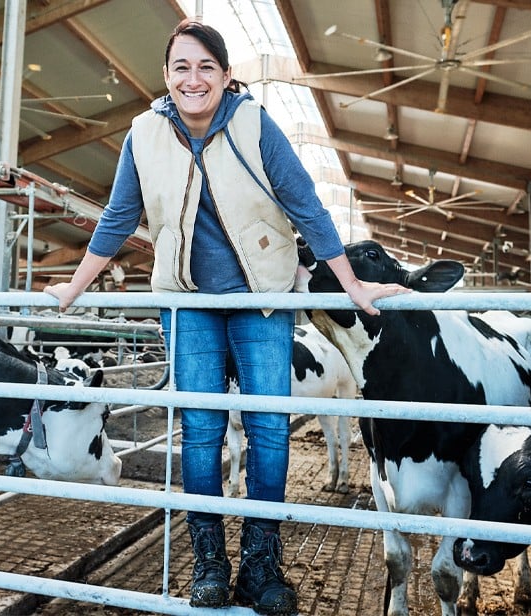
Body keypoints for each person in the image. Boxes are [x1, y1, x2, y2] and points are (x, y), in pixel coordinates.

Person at [46, 19, 408, 616]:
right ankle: (210, 563)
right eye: (182, 67)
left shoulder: (253, 123)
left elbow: (306, 207)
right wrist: (73, 288)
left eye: (206, 67)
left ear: (226, 75)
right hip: (189, 305)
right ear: (165, 77)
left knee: (268, 431)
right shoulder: (143, 134)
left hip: (260, 301)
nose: (194, 78)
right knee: (203, 434)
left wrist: (351, 284)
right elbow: (116, 218)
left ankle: (262, 566)